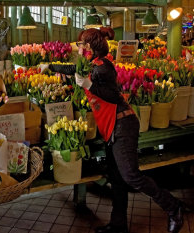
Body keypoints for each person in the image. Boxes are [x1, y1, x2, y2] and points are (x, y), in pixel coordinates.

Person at [74, 27, 184, 233]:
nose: (78, 48)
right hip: (112, 127)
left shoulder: (103, 67)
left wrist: (89, 85)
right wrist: (48, 67)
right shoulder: (92, 65)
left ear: (89, 47)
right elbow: (73, 70)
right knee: (116, 179)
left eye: (81, 44)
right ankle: (118, 225)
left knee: (131, 176)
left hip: (123, 125)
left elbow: (114, 96)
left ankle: (173, 207)